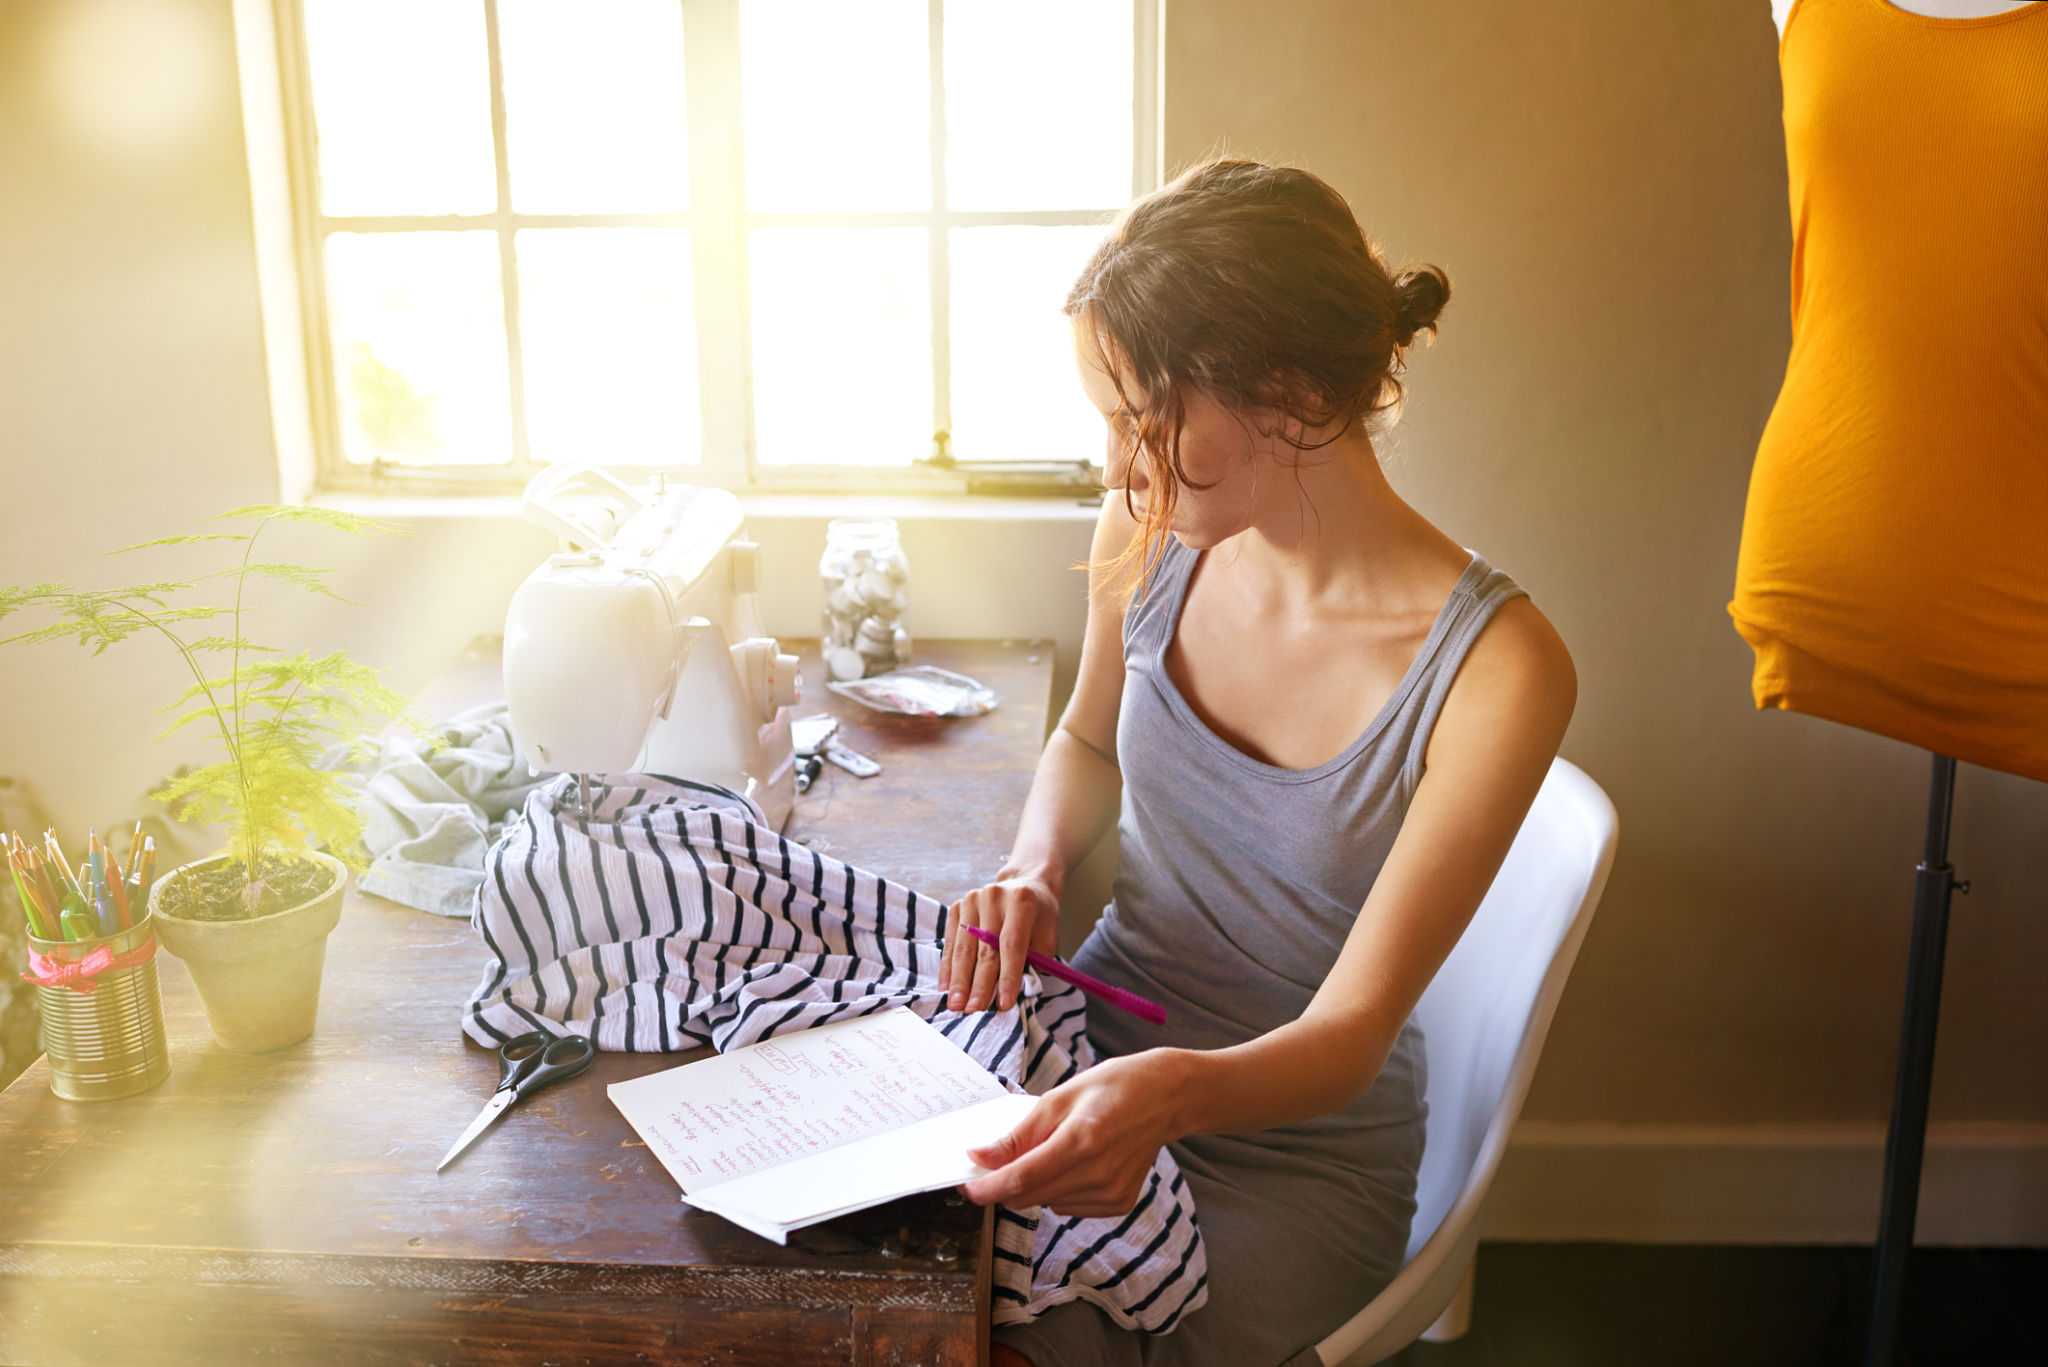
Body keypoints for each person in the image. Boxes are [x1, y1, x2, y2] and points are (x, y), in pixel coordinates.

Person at [933, 159, 1578, 1367]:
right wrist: (1032, 867)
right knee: (890, 1287)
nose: (1116, 465)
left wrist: (1171, 1095)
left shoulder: (1500, 668)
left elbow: (1351, 1028)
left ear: (1283, 390)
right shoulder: (1150, 525)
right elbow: (1080, 737)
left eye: (1142, 418)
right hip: (1096, 1049)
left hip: (1293, 1151)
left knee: (1011, 1343)